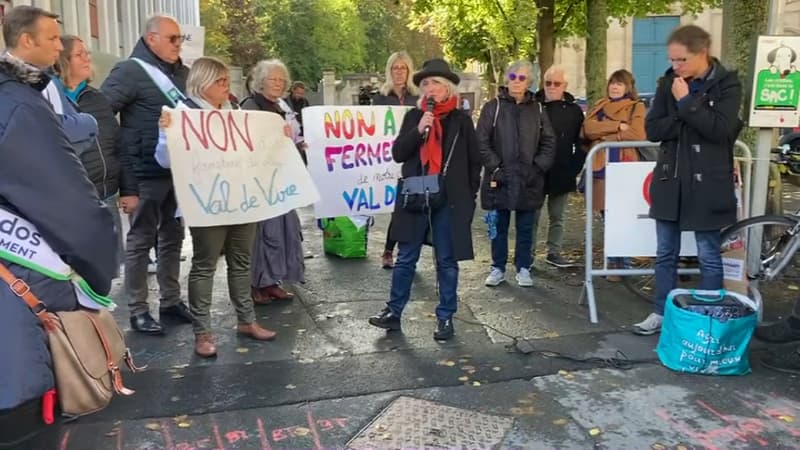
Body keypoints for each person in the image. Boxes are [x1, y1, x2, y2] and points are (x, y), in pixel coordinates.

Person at [0, 6, 118, 448]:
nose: (60, 47)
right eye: (51, 38)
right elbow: (72, 210)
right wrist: (94, 271)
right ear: (24, 40)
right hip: (15, 310)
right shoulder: (16, 102)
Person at [154, 57, 277, 357]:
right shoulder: (181, 113)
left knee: (241, 261)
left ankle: (247, 321)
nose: (226, 86)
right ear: (202, 83)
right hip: (207, 202)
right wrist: (167, 135)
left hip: (241, 198)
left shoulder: (234, 112)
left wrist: (279, 139)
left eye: (226, 80)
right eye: (219, 81)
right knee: (205, 265)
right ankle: (202, 332)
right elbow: (164, 161)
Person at [635, 25, 742, 336]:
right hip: (671, 179)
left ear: (702, 54)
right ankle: (661, 312)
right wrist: (692, 116)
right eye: (672, 60)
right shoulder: (667, 82)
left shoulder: (727, 84)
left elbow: (721, 131)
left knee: (708, 253)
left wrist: (685, 105)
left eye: (681, 60)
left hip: (708, 182)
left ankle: (707, 316)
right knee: (665, 252)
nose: (675, 66)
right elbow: (653, 130)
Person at [368, 58, 482, 340]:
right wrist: (419, 131)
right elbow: (398, 153)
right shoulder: (413, 118)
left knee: (446, 260)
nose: (429, 89)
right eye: (425, 84)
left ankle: (445, 317)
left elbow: (474, 163)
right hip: (415, 192)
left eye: (435, 84)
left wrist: (469, 199)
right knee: (406, 257)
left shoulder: (461, 121)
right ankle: (393, 312)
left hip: (449, 197)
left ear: (447, 89)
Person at [102, 14, 193, 334]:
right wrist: (122, 170)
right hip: (142, 172)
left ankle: (170, 301)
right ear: (151, 38)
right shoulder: (129, 71)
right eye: (172, 39)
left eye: (180, 39)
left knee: (173, 237)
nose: (178, 44)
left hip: (177, 170)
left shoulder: (182, 72)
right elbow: (102, 113)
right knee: (140, 241)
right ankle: (138, 310)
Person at [54, 35, 139, 277]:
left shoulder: (97, 97)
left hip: (107, 196)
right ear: (62, 60)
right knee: (73, 272)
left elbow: (118, 144)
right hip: (72, 202)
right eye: (80, 54)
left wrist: (129, 190)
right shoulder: (48, 99)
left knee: (105, 272)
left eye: (87, 53)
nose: (87, 58)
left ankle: (98, 313)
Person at [478, 60, 556, 288]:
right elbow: (481, 140)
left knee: (525, 226)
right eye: (513, 76)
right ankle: (497, 267)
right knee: (498, 226)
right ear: (506, 79)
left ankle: (524, 267)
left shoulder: (538, 109)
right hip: (500, 177)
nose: (516, 82)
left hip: (528, 177)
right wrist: (496, 167)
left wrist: (538, 166)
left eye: (521, 78)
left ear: (529, 82)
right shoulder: (493, 107)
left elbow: (549, 141)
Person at [242, 59, 305, 304]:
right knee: (261, 235)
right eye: (273, 79)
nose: (278, 83)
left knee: (282, 230)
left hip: (281, 179)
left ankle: (272, 280)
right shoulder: (251, 105)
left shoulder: (281, 105)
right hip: (260, 180)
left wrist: (299, 144)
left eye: (281, 80)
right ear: (260, 81)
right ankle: (255, 284)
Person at [581, 69, 646, 282]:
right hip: (602, 166)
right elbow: (588, 129)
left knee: (623, 216)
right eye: (612, 83)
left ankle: (622, 265)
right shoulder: (600, 104)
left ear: (628, 87)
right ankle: (613, 262)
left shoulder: (636, 106)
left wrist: (605, 134)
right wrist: (618, 127)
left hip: (625, 166)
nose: (614, 87)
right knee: (607, 216)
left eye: (619, 83)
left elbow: (637, 134)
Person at [371, 51, 420, 269]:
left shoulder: (417, 97)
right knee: (397, 206)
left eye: (403, 68)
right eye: (395, 68)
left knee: (409, 205)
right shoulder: (380, 98)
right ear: (389, 71)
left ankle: (403, 251)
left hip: (412, 157)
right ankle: (390, 249)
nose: (399, 72)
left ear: (409, 71)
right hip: (387, 157)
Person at [533, 65, 585, 268]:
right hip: (535, 172)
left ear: (565, 85)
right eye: (548, 83)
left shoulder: (573, 111)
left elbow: (581, 142)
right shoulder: (533, 107)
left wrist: (574, 167)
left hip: (562, 170)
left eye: (557, 83)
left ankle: (553, 252)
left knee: (558, 216)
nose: (552, 87)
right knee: (532, 216)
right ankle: (527, 255)